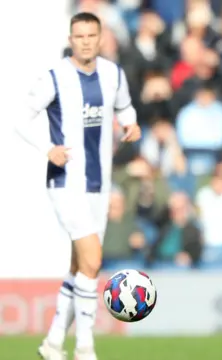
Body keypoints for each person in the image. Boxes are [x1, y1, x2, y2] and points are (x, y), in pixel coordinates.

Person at [16, 12, 141, 360]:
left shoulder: (113, 74)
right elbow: (19, 120)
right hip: (66, 182)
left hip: (99, 184)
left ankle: (53, 342)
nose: (85, 41)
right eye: (79, 36)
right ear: (71, 39)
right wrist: (48, 149)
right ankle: (85, 348)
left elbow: (126, 109)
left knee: (79, 268)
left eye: (91, 35)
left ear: (100, 38)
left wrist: (132, 126)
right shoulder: (54, 78)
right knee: (93, 260)